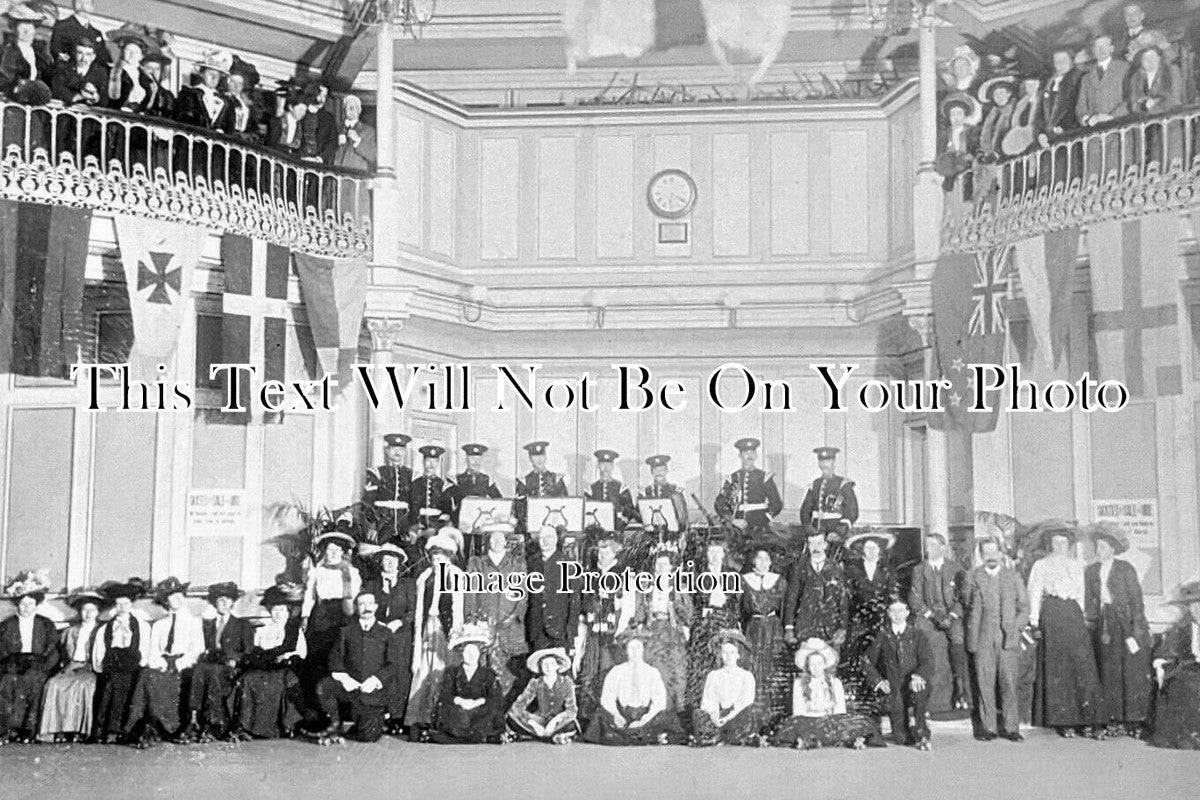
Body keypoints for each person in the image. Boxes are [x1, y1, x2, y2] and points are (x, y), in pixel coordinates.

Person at [1028, 523, 1100, 737]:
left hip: (1073, 613)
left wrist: (1084, 617)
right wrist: (1034, 621)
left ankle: (1085, 719)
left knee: (1082, 665)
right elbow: (1034, 592)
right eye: (1056, 543)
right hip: (1052, 613)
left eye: (1064, 543)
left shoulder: (1077, 565)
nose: (1060, 546)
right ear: (1050, 545)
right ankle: (1064, 720)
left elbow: (1081, 593)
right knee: (1058, 667)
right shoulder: (1041, 565)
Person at [1084, 524, 1152, 738]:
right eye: (1097, 546)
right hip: (1103, 624)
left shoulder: (1125, 569)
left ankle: (1132, 720)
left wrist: (1136, 631)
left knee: (1129, 672)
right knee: (1107, 671)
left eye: (1103, 547)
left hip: (1125, 625)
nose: (1098, 551)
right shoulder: (1091, 571)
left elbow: (1136, 602)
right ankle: (1111, 718)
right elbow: (1089, 601)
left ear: (1113, 549)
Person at [315, 592, 401, 745]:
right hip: (351, 688)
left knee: (367, 737)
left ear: (376, 606)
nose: (366, 608)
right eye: (361, 604)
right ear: (355, 608)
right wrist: (345, 679)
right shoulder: (346, 631)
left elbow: (393, 664)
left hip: (373, 692)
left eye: (370, 604)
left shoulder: (386, 633)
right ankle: (335, 724)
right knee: (324, 687)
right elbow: (335, 659)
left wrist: (375, 681)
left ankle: (371, 721)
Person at [966, 539, 1030, 742]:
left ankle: (1011, 728)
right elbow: (967, 604)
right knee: (984, 682)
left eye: (994, 552)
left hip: (1007, 637)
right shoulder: (973, 576)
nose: (991, 556)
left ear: (1001, 554)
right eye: (986, 552)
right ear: (981, 555)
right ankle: (988, 728)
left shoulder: (1013, 577)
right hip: (983, 635)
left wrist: (1015, 628)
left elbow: (1024, 608)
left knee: (1009, 682)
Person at [129, 576, 203, 747]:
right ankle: (151, 726)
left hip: (184, 662)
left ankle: (175, 728)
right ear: (166, 601)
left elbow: (197, 649)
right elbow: (153, 650)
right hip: (164, 660)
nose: (177, 599)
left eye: (179, 595)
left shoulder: (193, 622)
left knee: (176, 680)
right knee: (148, 675)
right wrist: (159, 662)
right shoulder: (160, 624)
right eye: (172, 596)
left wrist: (180, 663)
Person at [407, 528, 466, 735]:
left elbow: (458, 607)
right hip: (428, 627)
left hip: (446, 628)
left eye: (441, 557)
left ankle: (444, 718)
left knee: (443, 669)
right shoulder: (424, 577)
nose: (436, 561)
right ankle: (422, 717)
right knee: (424, 669)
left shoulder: (456, 576)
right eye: (434, 557)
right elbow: (419, 609)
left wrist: (456, 632)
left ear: (449, 557)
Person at [771, 638, 877, 749]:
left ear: (825, 665)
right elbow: (798, 711)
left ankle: (849, 740)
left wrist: (830, 714)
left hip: (830, 720)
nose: (816, 668)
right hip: (807, 720)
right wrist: (813, 710)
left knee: (853, 724)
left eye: (819, 663)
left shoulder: (835, 683)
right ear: (807, 666)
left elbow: (840, 711)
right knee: (796, 726)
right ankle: (808, 740)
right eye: (812, 664)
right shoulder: (799, 684)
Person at [584, 631, 684, 745]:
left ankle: (633, 735)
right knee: (600, 716)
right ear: (626, 651)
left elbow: (659, 701)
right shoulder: (617, 671)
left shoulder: (652, 672)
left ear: (643, 650)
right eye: (631, 648)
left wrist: (644, 720)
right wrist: (616, 715)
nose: (635, 652)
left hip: (645, 714)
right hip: (624, 713)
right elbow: (607, 697)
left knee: (667, 717)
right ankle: (641, 736)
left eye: (638, 648)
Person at [234, 583, 307, 740]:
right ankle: (249, 727)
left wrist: (284, 657)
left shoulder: (294, 631)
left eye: (282, 610)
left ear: (288, 611)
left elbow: (300, 653)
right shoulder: (263, 630)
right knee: (249, 679)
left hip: (283, 670)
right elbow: (256, 652)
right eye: (274, 610)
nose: (278, 614)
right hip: (265, 669)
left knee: (280, 682)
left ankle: (281, 727)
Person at [300, 528, 361, 715]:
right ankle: (319, 708)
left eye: (337, 549)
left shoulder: (352, 572)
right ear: (324, 551)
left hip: (344, 615)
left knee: (341, 658)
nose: (333, 553)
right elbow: (309, 596)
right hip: (321, 616)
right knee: (319, 658)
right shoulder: (317, 571)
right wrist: (305, 617)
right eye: (330, 549)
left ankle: (344, 709)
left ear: (343, 552)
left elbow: (355, 598)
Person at [577, 530, 635, 723]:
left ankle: (611, 718)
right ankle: (589, 719)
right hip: (593, 633)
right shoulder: (590, 575)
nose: (602, 555)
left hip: (612, 636)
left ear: (615, 552)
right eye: (600, 551)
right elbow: (583, 606)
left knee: (610, 672)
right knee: (590, 671)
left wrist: (619, 632)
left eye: (607, 551)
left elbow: (628, 608)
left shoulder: (624, 575)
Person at [909, 532, 969, 713]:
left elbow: (964, 597)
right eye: (927, 545)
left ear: (943, 548)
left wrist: (951, 616)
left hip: (951, 615)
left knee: (957, 638)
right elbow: (915, 599)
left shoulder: (956, 568)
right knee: (922, 638)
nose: (929, 549)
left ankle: (961, 689)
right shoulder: (919, 570)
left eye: (933, 545)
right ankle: (923, 698)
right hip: (928, 615)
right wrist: (932, 616)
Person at [186, 581, 254, 742]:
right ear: (214, 602)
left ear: (232, 602)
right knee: (201, 669)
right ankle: (196, 719)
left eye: (227, 599)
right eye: (219, 599)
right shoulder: (208, 625)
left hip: (230, 668)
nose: (223, 603)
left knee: (209, 671)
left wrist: (234, 659)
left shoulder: (242, 625)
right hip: (210, 667)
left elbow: (249, 652)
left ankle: (214, 724)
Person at [464, 526, 527, 698]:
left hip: (510, 627)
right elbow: (470, 594)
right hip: (484, 625)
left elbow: (523, 594)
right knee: (484, 668)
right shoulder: (477, 563)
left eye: (500, 539)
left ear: (506, 542)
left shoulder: (516, 564)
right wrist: (472, 620)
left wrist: (514, 616)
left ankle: (503, 707)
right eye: (492, 539)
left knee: (508, 670)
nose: (496, 542)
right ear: (487, 542)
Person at [863, 598, 933, 750]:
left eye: (901, 610)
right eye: (893, 611)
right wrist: (878, 681)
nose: (897, 614)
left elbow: (927, 660)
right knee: (901, 739)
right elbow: (867, 661)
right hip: (894, 686)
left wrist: (919, 676)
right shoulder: (883, 636)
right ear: (888, 613)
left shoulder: (917, 634)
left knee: (920, 692)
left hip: (913, 683)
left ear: (907, 613)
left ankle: (921, 732)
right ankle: (903, 731)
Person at [38, 587, 107, 742]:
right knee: (54, 684)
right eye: (84, 610)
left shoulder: (102, 631)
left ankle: (78, 730)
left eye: (92, 610)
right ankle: (56, 729)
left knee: (81, 685)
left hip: (90, 668)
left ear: (98, 612)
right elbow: (60, 652)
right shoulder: (70, 631)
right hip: (70, 666)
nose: (88, 614)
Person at [629, 545, 691, 714]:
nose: (661, 567)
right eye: (658, 564)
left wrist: (674, 607)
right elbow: (638, 610)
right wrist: (639, 625)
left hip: (672, 629)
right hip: (652, 629)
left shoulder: (679, 586)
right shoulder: (646, 586)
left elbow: (688, 612)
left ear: (671, 567)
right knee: (652, 665)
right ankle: (653, 707)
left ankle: (676, 709)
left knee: (674, 668)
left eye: (665, 564)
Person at [0, 571, 59, 744]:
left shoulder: (46, 624)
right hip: (12, 663)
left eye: (30, 604)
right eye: (23, 604)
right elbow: (1, 650)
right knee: (8, 681)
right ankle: (7, 730)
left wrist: (44, 666)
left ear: (36, 605)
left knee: (34, 680)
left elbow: (53, 650)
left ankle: (28, 730)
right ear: (17, 604)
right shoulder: (6, 625)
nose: (26, 608)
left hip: (38, 663)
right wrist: (9, 664)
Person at [361, 542, 415, 733]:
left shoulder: (407, 585)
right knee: (379, 671)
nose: (389, 563)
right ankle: (379, 715)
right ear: (380, 562)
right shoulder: (371, 585)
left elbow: (412, 611)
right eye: (386, 559)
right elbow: (364, 608)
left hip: (401, 636)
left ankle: (397, 717)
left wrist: (399, 622)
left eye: (393, 559)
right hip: (378, 636)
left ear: (399, 563)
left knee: (399, 673)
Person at [685, 537, 741, 717]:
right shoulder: (696, 575)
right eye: (711, 552)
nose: (715, 556)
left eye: (719, 552)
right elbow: (691, 603)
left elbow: (735, 604)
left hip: (725, 623)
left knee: (723, 662)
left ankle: (725, 709)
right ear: (706, 554)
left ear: (724, 554)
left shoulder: (732, 575)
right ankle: (700, 709)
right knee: (702, 664)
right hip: (704, 624)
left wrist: (735, 624)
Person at [842, 531, 898, 711]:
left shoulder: (888, 571)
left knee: (882, 657)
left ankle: (883, 702)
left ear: (880, 550)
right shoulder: (851, 570)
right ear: (862, 550)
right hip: (859, 621)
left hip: (882, 621)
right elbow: (846, 598)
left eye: (874, 548)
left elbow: (894, 596)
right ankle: (861, 702)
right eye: (867, 548)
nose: (871, 551)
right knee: (858, 656)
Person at [92, 579, 151, 743]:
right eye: (118, 604)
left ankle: (124, 730)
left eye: (125, 604)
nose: (122, 607)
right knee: (111, 685)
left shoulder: (142, 626)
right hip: (112, 667)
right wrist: (102, 667)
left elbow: (145, 649)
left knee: (128, 687)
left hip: (133, 667)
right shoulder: (105, 628)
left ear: (131, 604)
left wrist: (139, 664)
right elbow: (99, 652)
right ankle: (108, 729)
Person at [428, 622, 506, 744]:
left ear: (479, 653)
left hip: (479, 711)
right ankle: (468, 735)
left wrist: (477, 702)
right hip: (459, 710)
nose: (471, 655)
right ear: (461, 654)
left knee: (491, 710)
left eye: (474, 651)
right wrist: (459, 701)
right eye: (467, 652)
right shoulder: (452, 672)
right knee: (449, 710)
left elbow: (496, 696)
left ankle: (473, 735)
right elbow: (444, 693)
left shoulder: (488, 673)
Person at [739, 545, 790, 724]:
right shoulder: (743, 581)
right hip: (754, 629)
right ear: (753, 561)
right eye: (759, 558)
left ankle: (775, 717)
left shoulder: (780, 581)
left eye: (766, 559)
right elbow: (740, 609)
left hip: (774, 629)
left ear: (771, 562)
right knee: (754, 667)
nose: (763, 562)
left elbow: (785, 609)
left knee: (774, 667)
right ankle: (755, 716)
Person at [1149, 580, 1200, 749]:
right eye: (1193, 606)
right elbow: (1166, 651)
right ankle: (1188, 734)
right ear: (1187, 608)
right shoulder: (1182, 627)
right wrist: (1161, 663)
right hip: (1187, 669)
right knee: (1183, 685)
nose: (1198, 609)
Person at [690, 630, 762, 747]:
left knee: (751, 713)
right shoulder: (714, 675)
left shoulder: (746, 676)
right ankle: (717, 736)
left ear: (738, 655)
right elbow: (709, 701)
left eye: (732, 652)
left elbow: (746, 702)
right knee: (698, 714)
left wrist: (728, 717)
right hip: (718, 717)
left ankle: (727, 737)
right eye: (724, 653)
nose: (728, 657)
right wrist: (715, 717)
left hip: (736, 716)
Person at [783, 524, 849, 648]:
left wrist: (842, 628)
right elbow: (792, 599)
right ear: (807, 546)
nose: (815, 547)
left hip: (830, 629)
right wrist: (789, 628)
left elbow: (843, 600)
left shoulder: (836, 569)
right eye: (811, 543)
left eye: (819, 543)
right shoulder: (799, 568)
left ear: (825, 545)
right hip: (804, 628)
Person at [525, 525, 582, 652]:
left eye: (549, 537)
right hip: (537, 630)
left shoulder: (568, 564)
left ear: (556, 539)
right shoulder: (531, 563)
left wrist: (571, 631)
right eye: (542, 538)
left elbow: (575, 600)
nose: (545, 541)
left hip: (560, 630)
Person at [507, 647, 580, 743]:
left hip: (559, 722)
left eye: (552, 664)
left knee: (571, 722)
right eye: (545, 664)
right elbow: (517, 707)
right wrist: (533, 724)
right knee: (511, 716)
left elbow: (572, 710)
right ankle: (551, 737)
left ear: (558, 666)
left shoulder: (566, 682)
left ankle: (542, 736)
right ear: (540, 667)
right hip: (540, 721)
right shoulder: (535, 683)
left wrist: (555, 721)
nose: (548, 667)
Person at [714, 437, 783, 532]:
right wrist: (732, 520)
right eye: (746, 453)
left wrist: (765, 517)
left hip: (759, 526)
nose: (749, 456)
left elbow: (777, 504)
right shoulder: (732, 478)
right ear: (740, 455)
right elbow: (719, 504)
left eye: (752, 453)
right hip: (737, 527)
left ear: (756, 455)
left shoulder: (764, 477)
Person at [364, 433, 414, 556]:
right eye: (394, 449)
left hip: (404, 527)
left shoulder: (411, 475)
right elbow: (367, 502)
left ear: (405, 452)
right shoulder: (376, 473)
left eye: (401, 449)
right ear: (387, 451)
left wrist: (413, 528)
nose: (397, 452)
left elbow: (415, 504)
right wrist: (372, 526)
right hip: (382, 526)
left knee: (411, 558)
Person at [799, 447, 858, 539]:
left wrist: (839, 531)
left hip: (836, 531)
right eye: (821, 461)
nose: (824, 464)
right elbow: (805, 510)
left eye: (827, 461)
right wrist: (809, 528)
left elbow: (852, 511)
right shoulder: (815, 484)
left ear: (833, 462)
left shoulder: (843, 484)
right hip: (816, 531)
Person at [0, 5, 53, 104]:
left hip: (36, 104)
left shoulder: (39, 53)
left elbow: (48, 76)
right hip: (12, 102)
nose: (27, 30)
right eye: (21, 26)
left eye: (30, 26)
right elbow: (5, 80)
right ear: (15, 29)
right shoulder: (9, 51)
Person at [1076, 34, 1130, 127]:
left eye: (1104, 46)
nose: (1101, 50)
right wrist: (1087, 119)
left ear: (1112, 49)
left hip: (1120, 127)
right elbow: (1081, 107)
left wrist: (1111, 117)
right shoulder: (1086, 77)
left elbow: (1131, 99)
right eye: (1097, 47)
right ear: (1093, 51)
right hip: (1095, 130)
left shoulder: (1125, 68)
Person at [105, 25, 156, 112]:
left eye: (136, 52)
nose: (132, 54)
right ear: (122, 52)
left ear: (141, 56)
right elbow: (113, 97)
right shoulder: (112, 70)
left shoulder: (146, 76)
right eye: (128, 50)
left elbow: (148, 103)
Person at [409, 445, 457, 534]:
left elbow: (447, 513)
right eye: (428, 461)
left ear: (438, 463)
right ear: (423, 461)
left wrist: (435, 528)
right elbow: (411, 509)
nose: (431, 465)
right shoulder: (415, 484)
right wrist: (415, 527)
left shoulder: (444, 486)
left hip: (437, 532)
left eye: (435, 461)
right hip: (416, 531)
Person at [1039, 48, 1082, 144]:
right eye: (1057, 61)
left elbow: (1078, 107)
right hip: (1050, 138)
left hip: (1071, 136)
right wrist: (1041, 132)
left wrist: (1065, 127)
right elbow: (1042, 113)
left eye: (1063, 60)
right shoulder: (1049, 83)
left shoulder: (1078, 79)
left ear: (1071, 61)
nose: (1060, 64)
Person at [50, 0, 110, 68]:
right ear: (73, 4)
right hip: (66, 70)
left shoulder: (96, 34)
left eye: (86, 2)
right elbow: (56, 51)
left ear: (92, 7)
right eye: (79, 1)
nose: (82, 4)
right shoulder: (62, 26)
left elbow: (103, 58)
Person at [587, 449, 636, 528]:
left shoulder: (621, 488)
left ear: (612, 466)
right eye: (603, 464)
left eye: (609, 465)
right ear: (598, 466)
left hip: (616, 528)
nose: (606, 468)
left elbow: (629, 508)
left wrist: (624, 519)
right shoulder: (590, 489)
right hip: (596, 528)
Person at [50, 39, 106, 106]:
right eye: (80, 53)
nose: (83, 58)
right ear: (74, 53)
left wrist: (96, 97)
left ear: (93, 57)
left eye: (88, 54)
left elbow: (105, 99)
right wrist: (80, 96)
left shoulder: (101, 73)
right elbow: (57, 92)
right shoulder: (63, 69)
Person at [976, 76, 1016, 163]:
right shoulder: (993, 113)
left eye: (1001, 93)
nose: (998, 97)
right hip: (991, 157)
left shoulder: (1015, 110)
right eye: (995, 94)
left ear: (1008, 93)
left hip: (1009, 157)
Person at [334, 93, 376, 172]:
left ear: (360, 110)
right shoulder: (336, 129)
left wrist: (358, 141)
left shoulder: (368, 131)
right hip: (336, 174)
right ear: (344, 110)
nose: (352, 110)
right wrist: (336, 144)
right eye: (349, 107)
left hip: (356, 176)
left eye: (355, 107)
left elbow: (372, 156)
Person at [297, 82, 336, 164]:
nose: (322, 99)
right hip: (296, 161)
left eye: (325, 96)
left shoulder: (328, 118)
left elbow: (333, 141)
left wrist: (321, 158)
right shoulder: (299, 112)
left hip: (318, 164)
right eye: (319, 95)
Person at [221, 62, 260, 141]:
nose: (236, 86)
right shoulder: (221, 99)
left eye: (240, 83)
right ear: (227, 82)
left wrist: (249, 136)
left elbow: (254, 128)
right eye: (233, 82)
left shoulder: (246, 106)